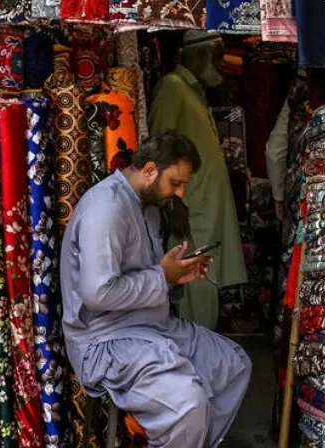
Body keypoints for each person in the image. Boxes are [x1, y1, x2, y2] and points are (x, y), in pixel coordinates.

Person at [60, 132, 252, 448]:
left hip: (151, 328)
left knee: (234, 365)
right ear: (150, 170)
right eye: (176, 183)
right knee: (189, 404)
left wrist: (176, 277)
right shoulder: (105, 209)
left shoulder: (146, 205)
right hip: (107, 340)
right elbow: (99, 294)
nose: (179, 193)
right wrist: (162, 278)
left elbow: (147, 279)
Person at [148, 30, 247, 330]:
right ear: (201, 55)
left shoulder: (193, 91)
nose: (221, 64)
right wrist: (176, 206)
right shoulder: (172, 86)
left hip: (205, 212)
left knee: (206, 284)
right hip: (191, 212)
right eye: (217, 57)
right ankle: (197, 362)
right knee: (196, 287)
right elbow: (159, 148)